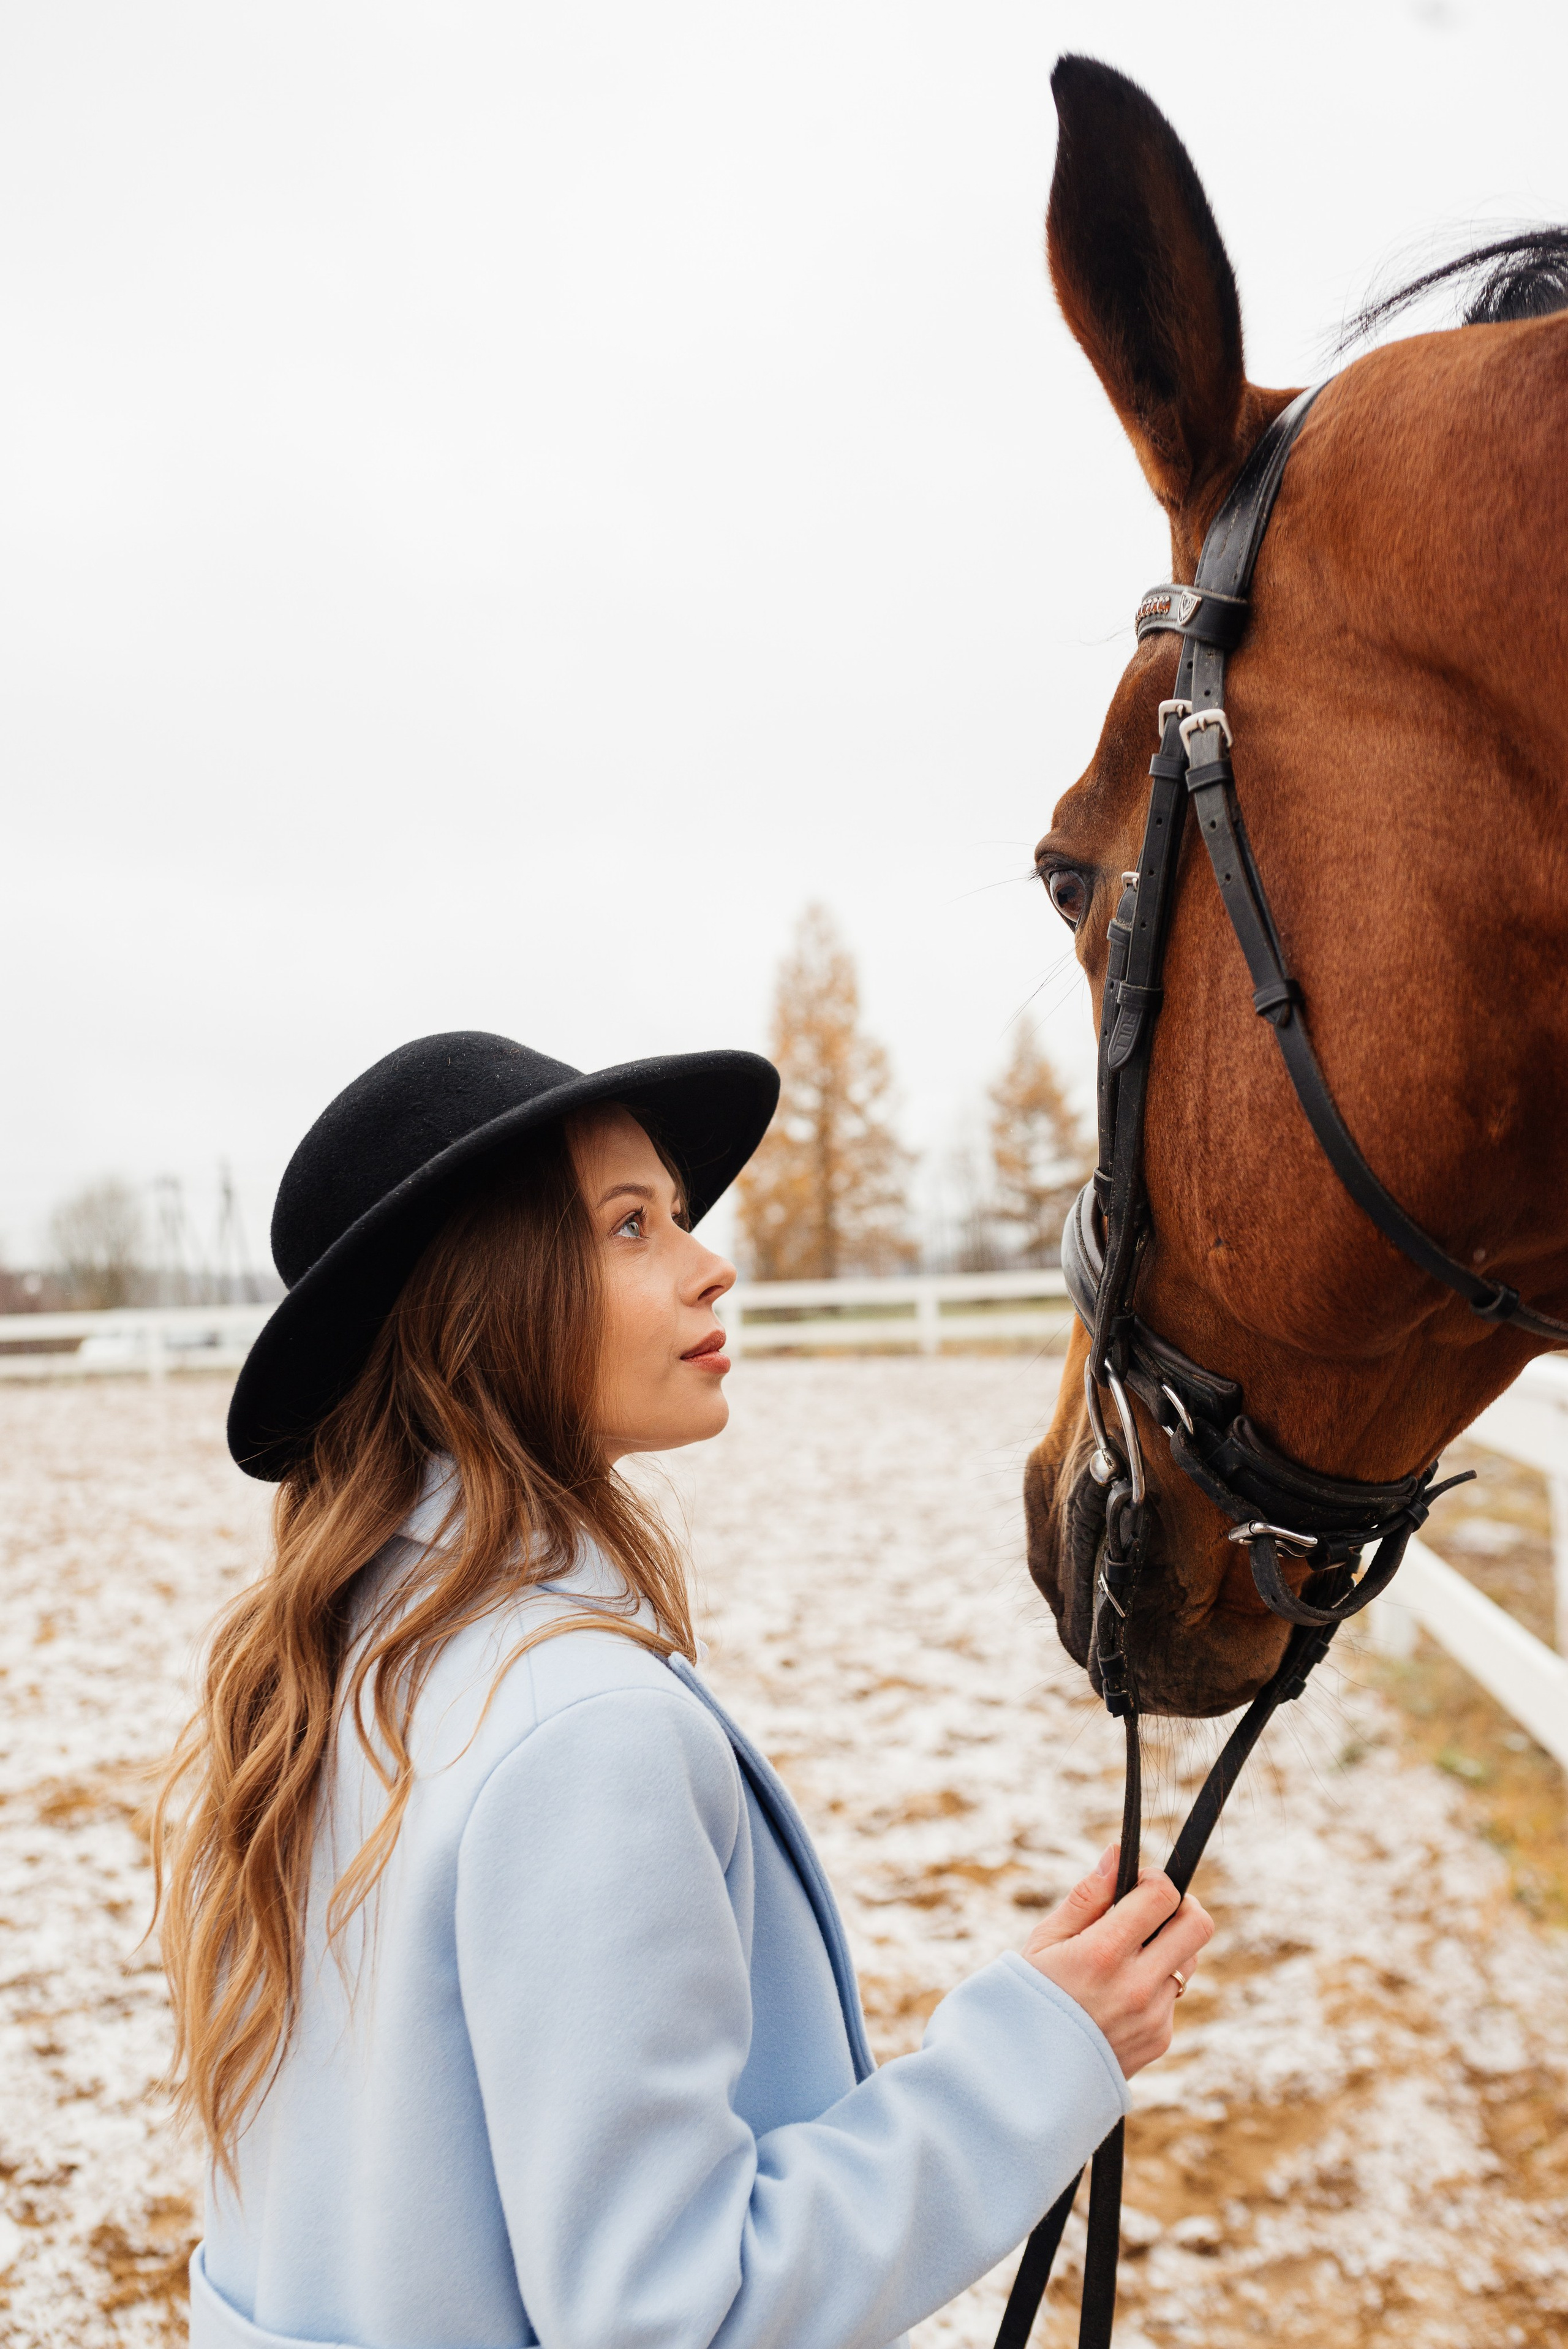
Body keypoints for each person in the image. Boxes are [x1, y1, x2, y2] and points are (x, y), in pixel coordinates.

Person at [158, 1028, 1213, 2349]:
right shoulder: (581, 1731)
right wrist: (1039, 2057)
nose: (712, 1261)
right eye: (630, 1223)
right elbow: (679, 2313)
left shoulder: (334, 1665)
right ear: (482, 1296)